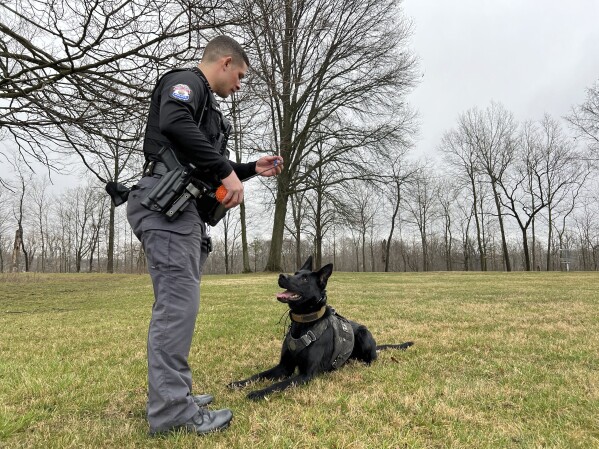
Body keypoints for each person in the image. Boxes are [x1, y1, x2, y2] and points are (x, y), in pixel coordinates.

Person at [126, 35, 283, 436]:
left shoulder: (205, 104)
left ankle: (174, 397)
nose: (240, 85)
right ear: (225, 62)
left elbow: (202, 159)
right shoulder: (187, 81)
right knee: (177, 309)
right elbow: (173, 122)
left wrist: (248, 167)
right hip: (166, 209)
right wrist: (227, 172)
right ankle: (171, 412)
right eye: (241, 76)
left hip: (181, 213)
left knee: (180, 308)